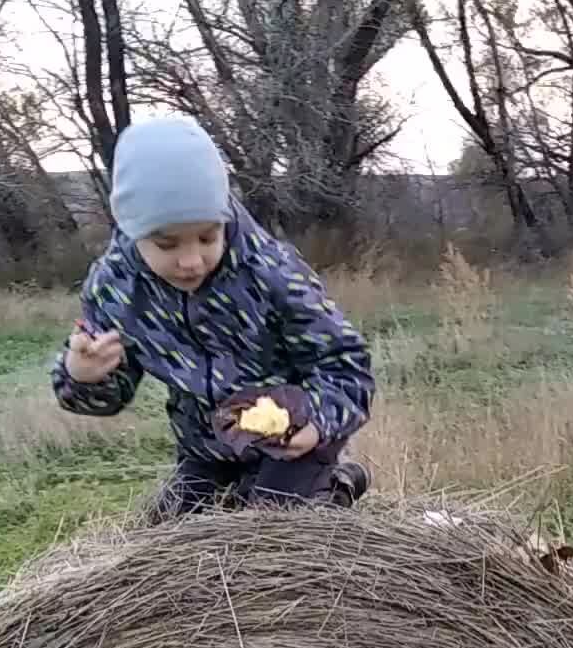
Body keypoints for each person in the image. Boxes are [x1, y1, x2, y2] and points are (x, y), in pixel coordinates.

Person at [51, 116, 374, 515]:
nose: (190, 260)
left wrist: (320, 424)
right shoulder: (115, 289)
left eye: (207, 237)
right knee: (168, 542)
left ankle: (336, 484)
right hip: (205, 448)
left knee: (272, 536)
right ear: (131, 230)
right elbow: (110, 396)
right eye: (167, 243)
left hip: (292, 442)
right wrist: (83, 377)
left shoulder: (273, 275)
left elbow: (346, 368)